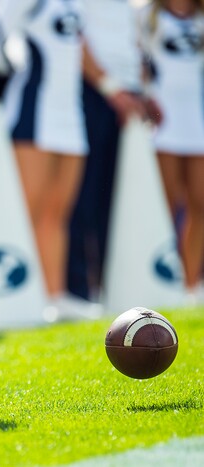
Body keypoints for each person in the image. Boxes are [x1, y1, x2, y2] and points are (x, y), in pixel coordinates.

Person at [1, 0, 90, 320]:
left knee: (58, 211)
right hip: (32, 112)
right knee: (30, 209)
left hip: (71, 113)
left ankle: (55, 295)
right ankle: (26, 295)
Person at [66, 0, 151, 313]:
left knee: (118, 200)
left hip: (127, 99)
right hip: (93, 95)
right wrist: (111, 88)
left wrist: (143, 92)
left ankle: (112, 287)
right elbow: (74, 39)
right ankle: (79, 290)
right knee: (84, 198)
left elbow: (132, 47)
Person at [138, 0, 204, 303]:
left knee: (199, 203)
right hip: (162, 121)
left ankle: (190, 284)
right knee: (165, 205)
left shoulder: (200, 17)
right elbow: (136, 62)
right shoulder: (147, 17)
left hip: (197, 119)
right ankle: (162, 281)